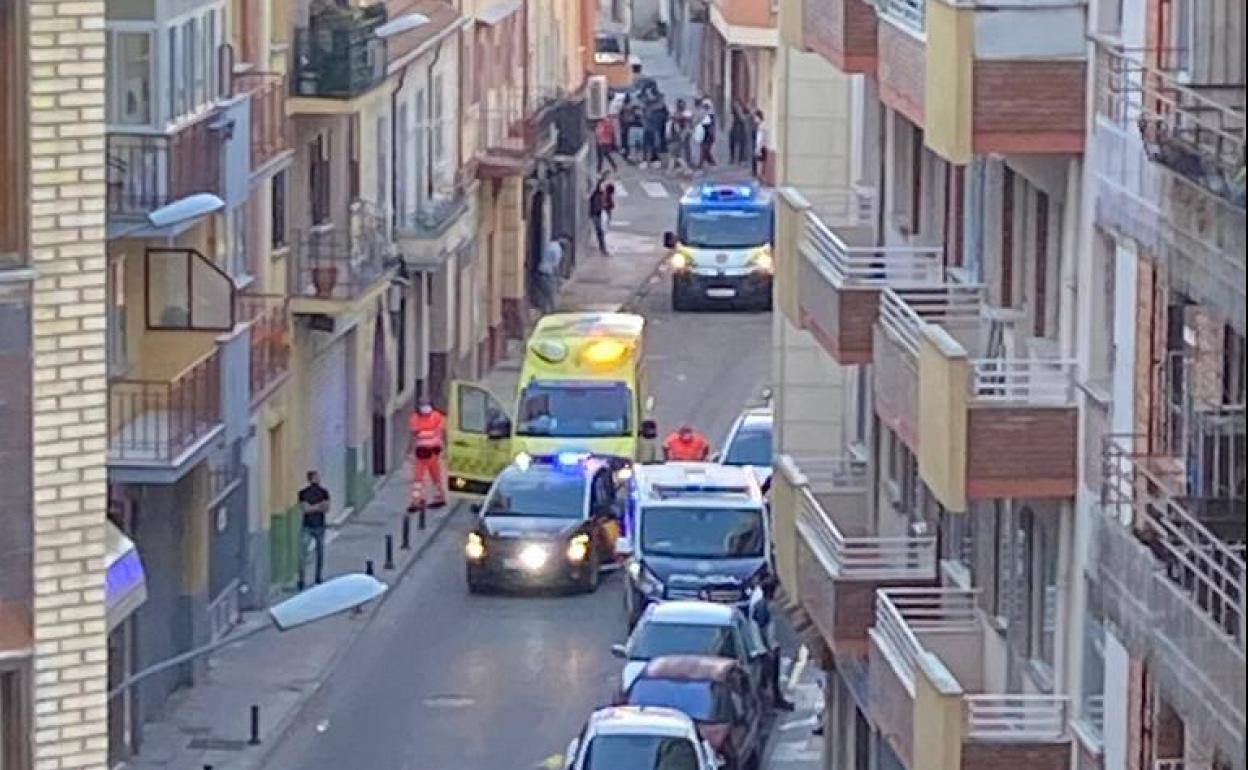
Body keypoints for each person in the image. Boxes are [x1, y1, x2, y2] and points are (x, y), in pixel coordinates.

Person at [408, 397, 447, 508]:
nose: (425, 408)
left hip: (426, 452)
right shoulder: (437, 416)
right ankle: (438, 497)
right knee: (434, 476)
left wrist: (423, 433)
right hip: (430, 452)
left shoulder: (417, 418)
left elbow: (416, 434)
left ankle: (417, 500)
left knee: (419, 478)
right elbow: (438, 432)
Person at [297, 470, 331, 590]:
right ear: (310, 479)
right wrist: (318, 506)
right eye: (315, 477)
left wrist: (312, 507)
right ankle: (301, 579)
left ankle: (318, 577)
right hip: (308, 526)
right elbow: (305, 509)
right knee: (303, 554)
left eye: (318, 477)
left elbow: (326, 508)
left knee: (320, 553)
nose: (318, 479)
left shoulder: (324, 492)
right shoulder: (303, 493)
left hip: (319, 526)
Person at [537, 236, 564, 314]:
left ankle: (544, 312)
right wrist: (558, 279)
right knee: (551, 295)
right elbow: (555, 266)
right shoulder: (558, 249)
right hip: (548, 274)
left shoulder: (549, 245)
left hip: (541, 271)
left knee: (545, 296)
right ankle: (552, 313)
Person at [589, 182, 608, 255]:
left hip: (598, 214)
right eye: (602, 186)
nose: (603, 188)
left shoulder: (601, 194)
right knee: (600, 231)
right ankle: (602, 248)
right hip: (595, 214)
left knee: (600, 231)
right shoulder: (595, 194)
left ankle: (602, 248)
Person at [753, 109, 768, 180]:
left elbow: (760, 139)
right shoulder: (763, 125)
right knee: (761, 166)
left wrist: (757, 149)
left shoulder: (761, 127)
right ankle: (760, 179)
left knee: (760, 166)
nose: (755, 120)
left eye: (755, 118)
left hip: (761, 148)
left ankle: (760, 180)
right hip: (763, 147)